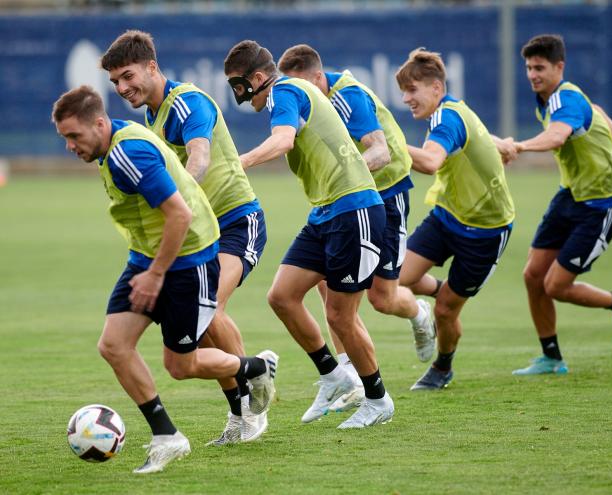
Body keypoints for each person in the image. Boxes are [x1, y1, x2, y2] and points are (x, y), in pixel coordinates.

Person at [51, 85, 277, 473]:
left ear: (100, 123)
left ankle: (253, 367)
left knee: (181, 366)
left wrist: (156, 274)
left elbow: (180, 215)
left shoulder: (128, 154)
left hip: (188, 263)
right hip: (147, 258)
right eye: (65, 138)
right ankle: (167, 437)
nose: (71, 145)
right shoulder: (116, 141)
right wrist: (150, 268)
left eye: (75, 135)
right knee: (114, 346)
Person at [101, 30, 269, 444]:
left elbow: (199, 157)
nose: (123, 88)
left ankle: (250, 401)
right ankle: (243, 404)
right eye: (115, 83)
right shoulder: (152, 116)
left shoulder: (188, 102)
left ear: (152, 67)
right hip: (202, 233)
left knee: (210, 311)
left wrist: (178, 200)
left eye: (128, 76)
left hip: (236, 222)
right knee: (204, 319)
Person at [224, 40, 394, 428]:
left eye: (237, 85)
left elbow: (283, 140)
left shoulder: (284, 91)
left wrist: (239, 162)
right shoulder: (288, 94)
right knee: (282, 296)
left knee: (341, 316)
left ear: (258, 78)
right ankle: (334, 377)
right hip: (327, 212)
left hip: (355, 211)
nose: (236, 94)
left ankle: (378, 399)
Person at [277, 44, 435, 412]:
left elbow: (381, 152)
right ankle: (347, 376)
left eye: (301, 86)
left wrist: (346, 178)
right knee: (321, 282)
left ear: (318, 78)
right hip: (346, 208)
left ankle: (419, 313)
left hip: (385, 198)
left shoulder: (346, 96)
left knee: (383, 299)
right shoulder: (313, 100)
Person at [512, 34, 612, 375]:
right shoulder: (550, 99)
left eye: (540, 67)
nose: (532, 74)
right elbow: (598, 111)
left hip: (600, 206)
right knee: (532, 275)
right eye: (529, 67)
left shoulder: (566, 101)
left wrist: (519, 147)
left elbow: (557, 136)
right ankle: (551, 358)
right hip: (570, 196)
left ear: (560, 67)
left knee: (555, 286)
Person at [395, 48, 517, 390]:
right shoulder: (453, 110)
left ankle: (442, 367)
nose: (406, 98)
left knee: (446, 311)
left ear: (436, 88)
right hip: (447, 216)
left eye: (412, 90)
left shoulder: (446, 117)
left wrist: (387, 142)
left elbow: (431, 162)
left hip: (486, 232)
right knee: (394, 277)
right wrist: (499, 145)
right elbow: (475, 133)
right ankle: (440, 290)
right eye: (404, 91)